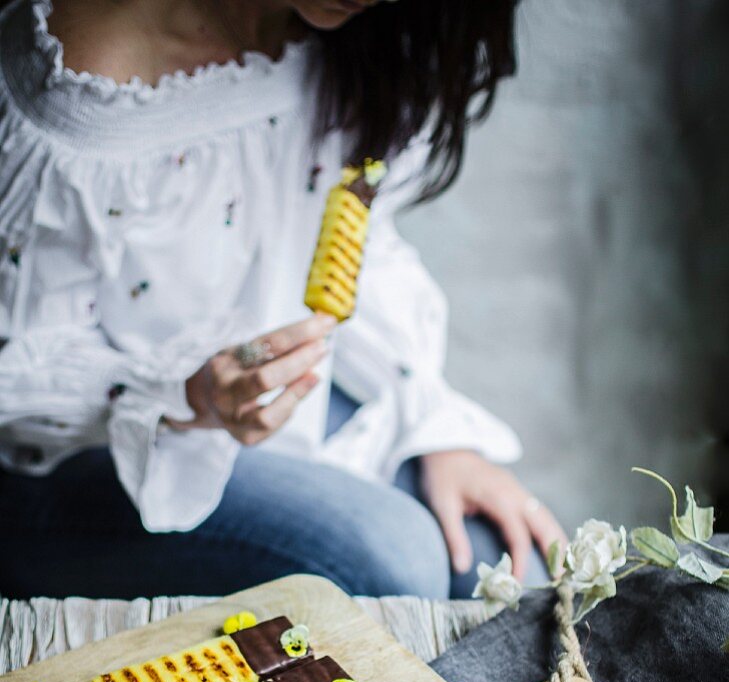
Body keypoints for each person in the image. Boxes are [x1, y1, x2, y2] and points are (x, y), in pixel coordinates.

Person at [0, 0, 565, 600]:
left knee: (503, 565)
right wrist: (184, 394)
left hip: (269, 409)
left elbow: (358, 243)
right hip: (75, 456)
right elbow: (19, 367)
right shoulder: (78, 87)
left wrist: (434, 427)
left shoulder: (364, 40)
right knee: (394, 560)